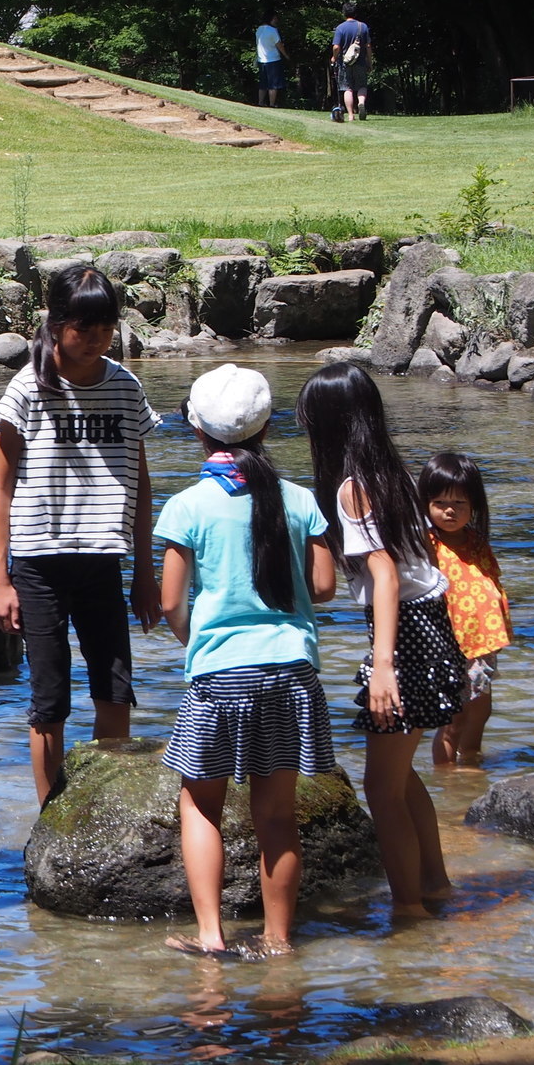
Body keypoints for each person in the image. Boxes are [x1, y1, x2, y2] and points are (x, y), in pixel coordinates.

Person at [157, 367, 338, 961]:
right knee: (277, 814)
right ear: (266, 428)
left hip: (219, 674)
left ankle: (211, 938)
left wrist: (194, 639)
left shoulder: (188, 506)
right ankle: (278, 941)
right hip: (290, 670)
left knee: (200, 804)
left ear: (197, 431)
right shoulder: (300, 500)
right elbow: (324, 585)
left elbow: (169, 602)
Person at [0, 263, 162, 810]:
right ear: (56, 323)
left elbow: (140, 483)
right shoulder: (28, 389)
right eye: (82, 327)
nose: (94, 339)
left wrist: (146, 574)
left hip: (103, 560)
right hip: (39, 562)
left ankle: (107, 808)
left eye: (105, 327)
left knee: (114, 688)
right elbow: (0, 488)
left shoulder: (125, 388)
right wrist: (1, 579)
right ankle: (50, 819)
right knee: (49, 700)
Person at [297, 363, 465, 919]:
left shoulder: (353, 488)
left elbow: (386, 575)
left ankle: (409, 910)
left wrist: (385, 664)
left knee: (380, 788)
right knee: (400, 775)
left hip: (408, 634)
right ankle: (434, 884)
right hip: (432, 623)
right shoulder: (390, 470)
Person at [420, 453, 509, 769]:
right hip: (450, 648)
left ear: (473, 506)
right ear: (426, 504)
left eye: (459, 503)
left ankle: (470, 768)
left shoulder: (476, 541)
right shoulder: (428, 545)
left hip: (482, 646)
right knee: (452, 720)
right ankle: (446, 781)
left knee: (482, 710)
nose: (449, 510)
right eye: (440, 503)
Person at [330, 3, 374, 122]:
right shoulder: (363, 27)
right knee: (362, 86)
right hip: (360, 61)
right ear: (355, 13)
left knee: (347, 88)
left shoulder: (340, 28)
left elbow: (336, 47)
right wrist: (369, 62)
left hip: (345, 62)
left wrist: (334, 58)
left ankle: (350, 115)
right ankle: (361, 103)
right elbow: (368, 46)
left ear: (344, 13)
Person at [255, 10, 289, 107]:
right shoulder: (273, 31)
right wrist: (286, 55)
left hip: (261, 60)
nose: (276, 20)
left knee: (263, 83)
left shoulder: (259, 29)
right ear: (270, 19)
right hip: (273, 60)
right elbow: (279, 45)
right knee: (273, 84)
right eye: (274, 19)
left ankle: (260, 102)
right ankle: (272, 104)